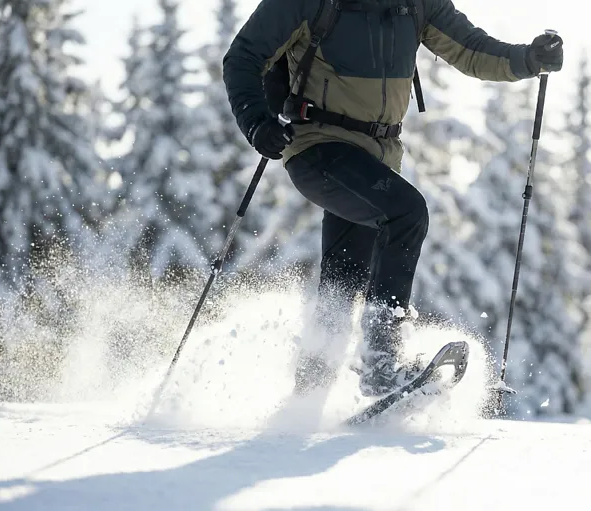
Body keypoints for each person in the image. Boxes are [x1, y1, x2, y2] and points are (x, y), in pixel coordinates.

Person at [223, 0, 563, 397]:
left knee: (343, 279)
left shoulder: (417, 3)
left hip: (376, 157)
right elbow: (243, 56)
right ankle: (381, 363)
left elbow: (471, 49)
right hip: (317, 146)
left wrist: (528, 59)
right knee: (406, 213)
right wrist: (256, 122)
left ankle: (308, 395)